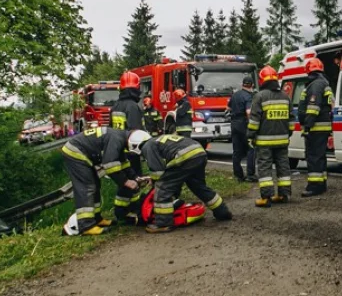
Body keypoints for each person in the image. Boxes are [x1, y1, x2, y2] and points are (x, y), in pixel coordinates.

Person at [61, 127, 151, 235]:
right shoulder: (116, 139)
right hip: (75, 152)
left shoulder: (120, 138)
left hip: (80, 152)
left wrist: (135, 177)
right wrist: (126, 182)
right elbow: (110, 166)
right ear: (134, 144)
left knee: (95, 185)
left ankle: (96, 219)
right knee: (87, 187)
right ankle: (86, 226)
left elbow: (123, 163)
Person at [139, 133, 233, 233]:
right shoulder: (159, 140)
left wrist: (155, 183)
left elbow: (158, 173)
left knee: (162, 187)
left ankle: (163, 223)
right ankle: (222, 212)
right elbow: (171, 170)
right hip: (199, 153)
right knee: (198, 186)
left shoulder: (147, 146)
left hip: (185, 157)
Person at [248, 66, 295, 207]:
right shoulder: (285, 96)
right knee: (283, 166)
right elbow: (291, 120)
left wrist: (250, 135)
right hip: (282, 140)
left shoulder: (260, 96)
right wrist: (287, 133)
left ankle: (266, 197)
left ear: (262, 80)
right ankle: (283, 195)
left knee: (265, 168)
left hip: (264, 142)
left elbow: (254, 120)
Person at [110, 71, 146, 221]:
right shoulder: (132, 106)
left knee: (124, 181)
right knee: (134, 179)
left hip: (118, 150)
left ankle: (120, 210)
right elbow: (135, 132)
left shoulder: (115, 106)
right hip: (131, 151)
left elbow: (109, 129)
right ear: (136, 88)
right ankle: (136, 209)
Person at [297, 57, 333, 196]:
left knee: (313, 156)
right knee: (320, 156)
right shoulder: (323, 83)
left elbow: (313, 107)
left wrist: (307, 126)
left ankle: (314, 186)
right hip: (321, 127)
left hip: (316, 127)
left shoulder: (316, 85)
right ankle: (321, 183)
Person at [228, 75, 256, 182]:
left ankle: (238, 175)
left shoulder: (235, 95)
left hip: (234, 124)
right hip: (244, 124)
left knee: (236, 151)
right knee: (251, 148)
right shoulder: (249, 96)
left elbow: (228, 108)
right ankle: (250, 175)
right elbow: (248, 112)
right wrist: (252, 125)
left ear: (242, 84)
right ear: (252, 85)